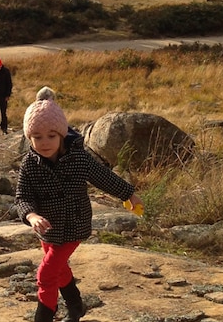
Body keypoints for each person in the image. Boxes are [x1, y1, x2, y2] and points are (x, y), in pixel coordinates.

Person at [15, 90, 143, 322]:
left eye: (51, 136)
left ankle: (44, 316)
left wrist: (129, 194)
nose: (45, 143)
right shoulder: (29, 164)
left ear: (62, 135)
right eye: (37, 136)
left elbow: (104, 177)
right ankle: (76, 306)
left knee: (46, 273)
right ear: (29, 137)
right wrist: (31, 215)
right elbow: (22, 196)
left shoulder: (79, 158)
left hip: (74, 225)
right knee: (60, 268)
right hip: (48, 228)